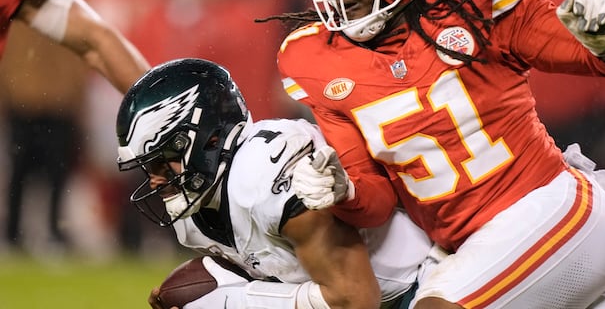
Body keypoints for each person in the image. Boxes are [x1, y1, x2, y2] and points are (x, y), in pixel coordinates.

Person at [263, 0, 605, 308]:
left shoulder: (474, 0)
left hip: (549, 208)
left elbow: (597, 56)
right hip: (472, 247)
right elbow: (377, 202)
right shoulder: (314, 59)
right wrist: (343, 190)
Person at [115, 58, 434, 309]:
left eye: (164, 161)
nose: (155, 180)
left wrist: (233, 302)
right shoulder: (194, 214)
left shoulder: (264, 173)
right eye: (148, 167)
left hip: (420, 286)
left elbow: (356, 298)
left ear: (209, 140)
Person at [1, 0, 149, 250]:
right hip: (28, 99)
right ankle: (16, 233)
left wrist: (154, 104)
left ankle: (40, 233)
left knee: (51, 172)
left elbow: (93, 46)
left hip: (52, 102)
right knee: (24, 173)